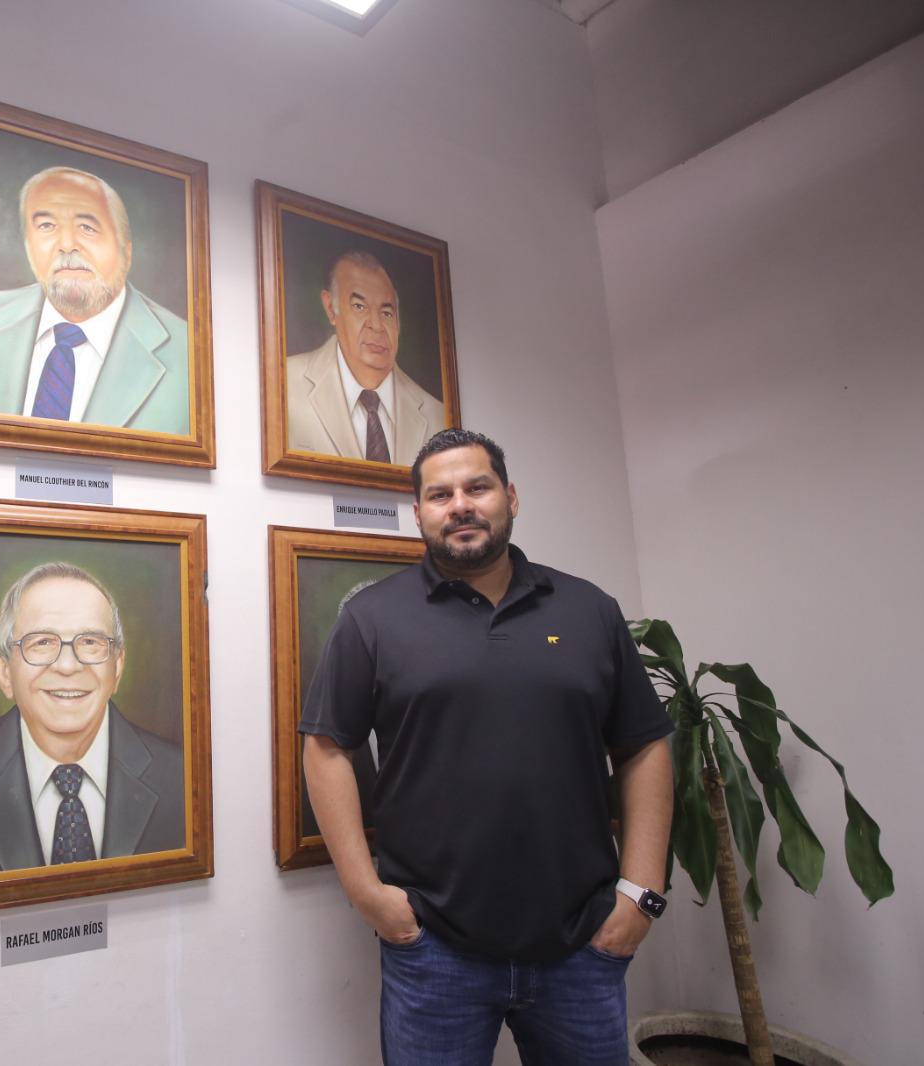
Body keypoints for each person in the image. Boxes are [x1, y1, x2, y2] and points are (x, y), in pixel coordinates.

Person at [300, 428, 674, 1065]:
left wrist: (640, 893)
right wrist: (368, 894)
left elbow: (643, 746)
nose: (461, 505)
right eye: (440, 494)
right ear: (418, 514)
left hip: (582, 946)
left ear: (511, 497)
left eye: (478, 487)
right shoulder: (373, 618)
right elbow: (327, 746)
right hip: (434, 952)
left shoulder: (589, 610)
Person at [0, 562, 185, 879]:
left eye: (90, 642)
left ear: (117, 668)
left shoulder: (183, 780)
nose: (67, 665)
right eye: (42, 642)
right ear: (5, 672)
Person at [0, 166, 191, 434]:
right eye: (46, 226)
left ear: (126, 250)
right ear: (28, 245)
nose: (66, 244)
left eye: (87, 227)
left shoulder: (186, 353)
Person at [286, 251, 448, 466]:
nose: (377, 325)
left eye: (387, 313)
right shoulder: (285, 386)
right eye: (359, 307)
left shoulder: (436, 415)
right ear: (330, 308)